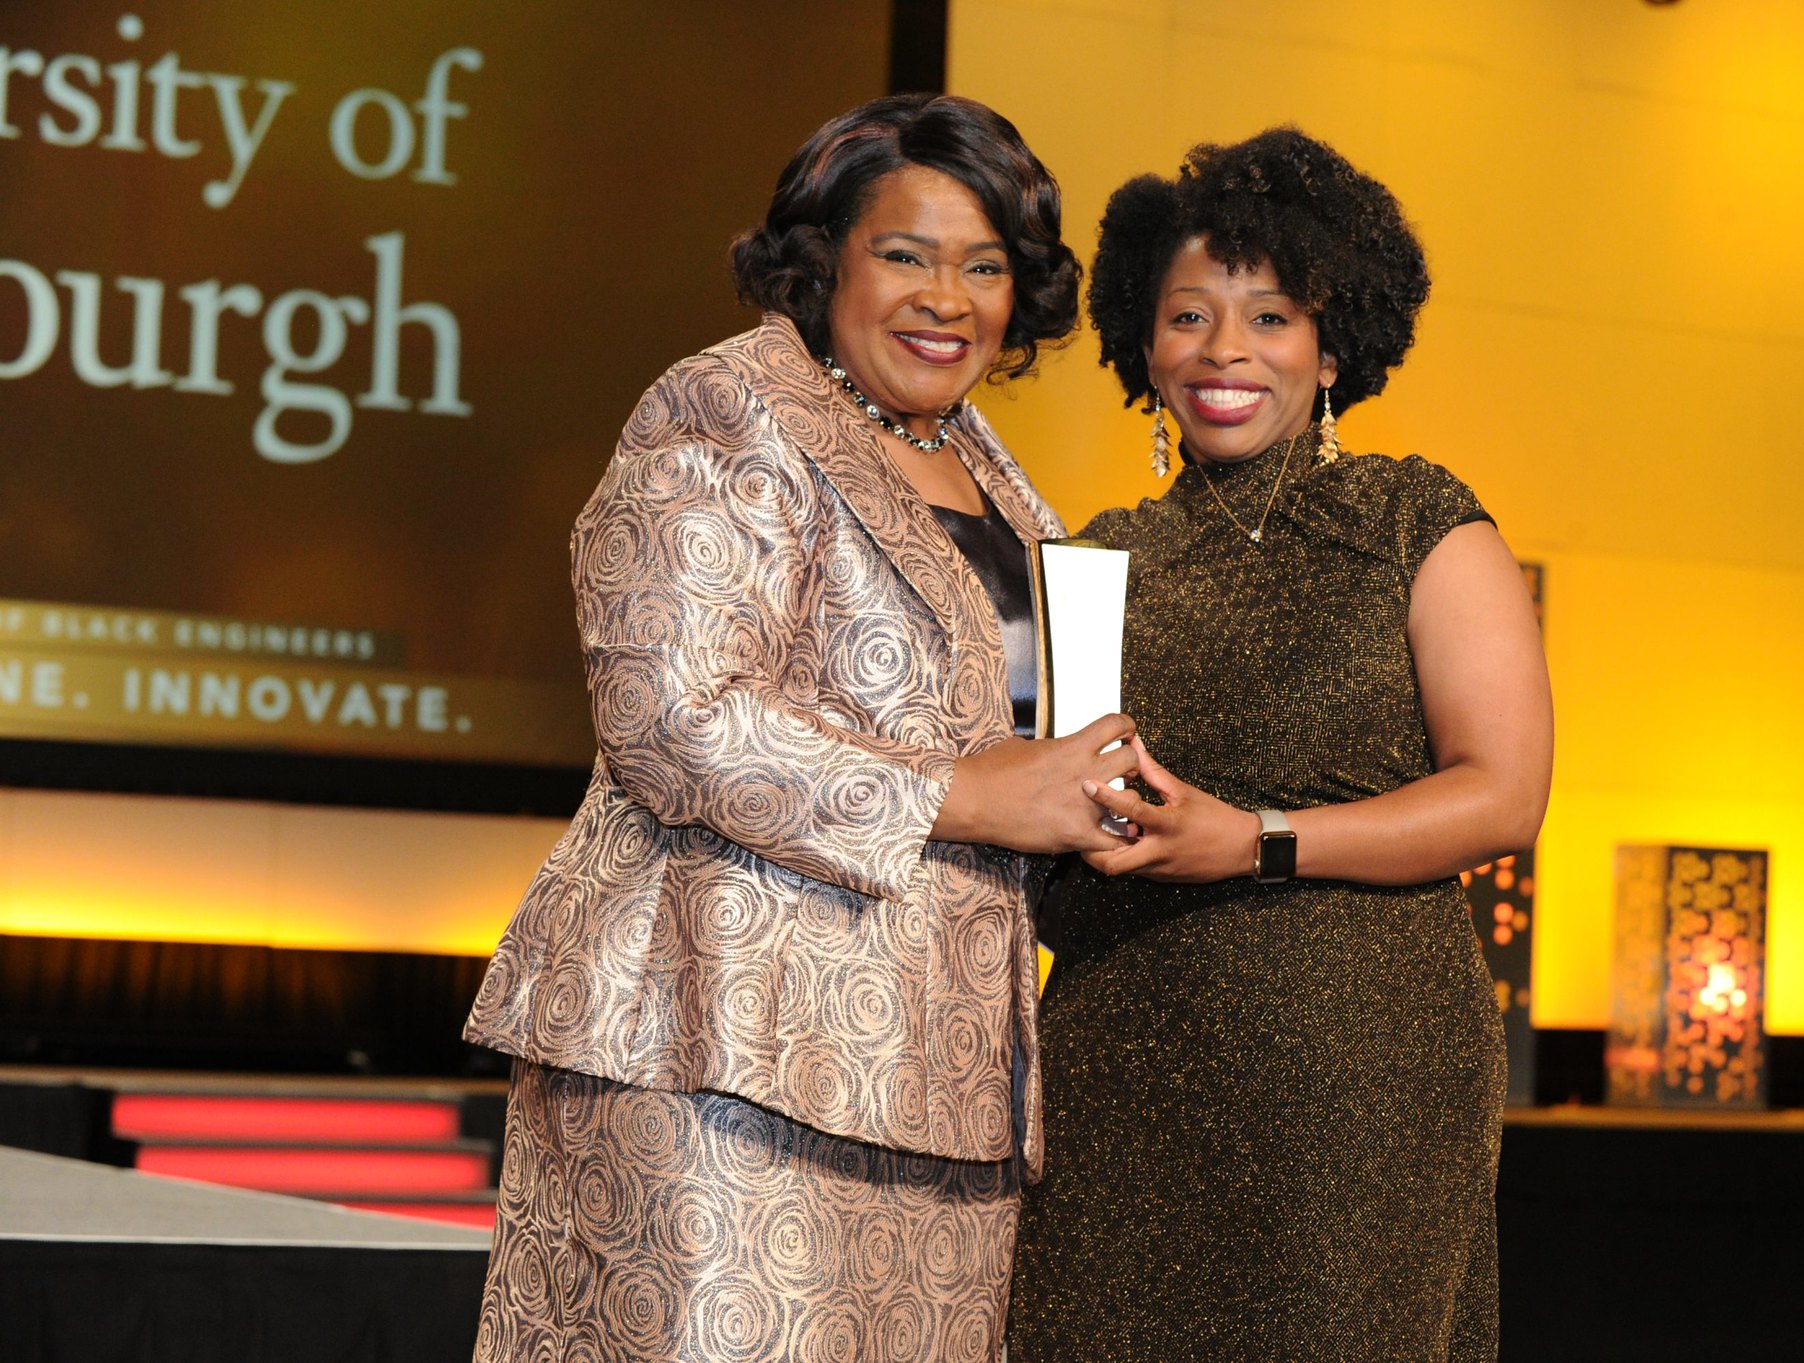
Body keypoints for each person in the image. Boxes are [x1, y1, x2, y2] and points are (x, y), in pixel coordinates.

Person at [463, 93, 1137, 1363]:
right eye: (907, 254)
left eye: (985, 266)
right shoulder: (727, 409)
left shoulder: (988, 466)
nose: (949, 297)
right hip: (720, 1052)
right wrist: (972, 796)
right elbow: (671, 716)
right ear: (825, 260)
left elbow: (1003, 733)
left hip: (940, 1085)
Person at [1006, 129, 1553, 1362]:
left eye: (1268, 317)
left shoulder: (1417, 522)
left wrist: (1247, 841)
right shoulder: (1091, 562)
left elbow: (1503, 795)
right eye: (1188, 316)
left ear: (1332, 343)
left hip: (1354, 1079)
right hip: (1121, 1066)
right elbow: (1064, 821)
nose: (1223, 352)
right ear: (1140, 344)